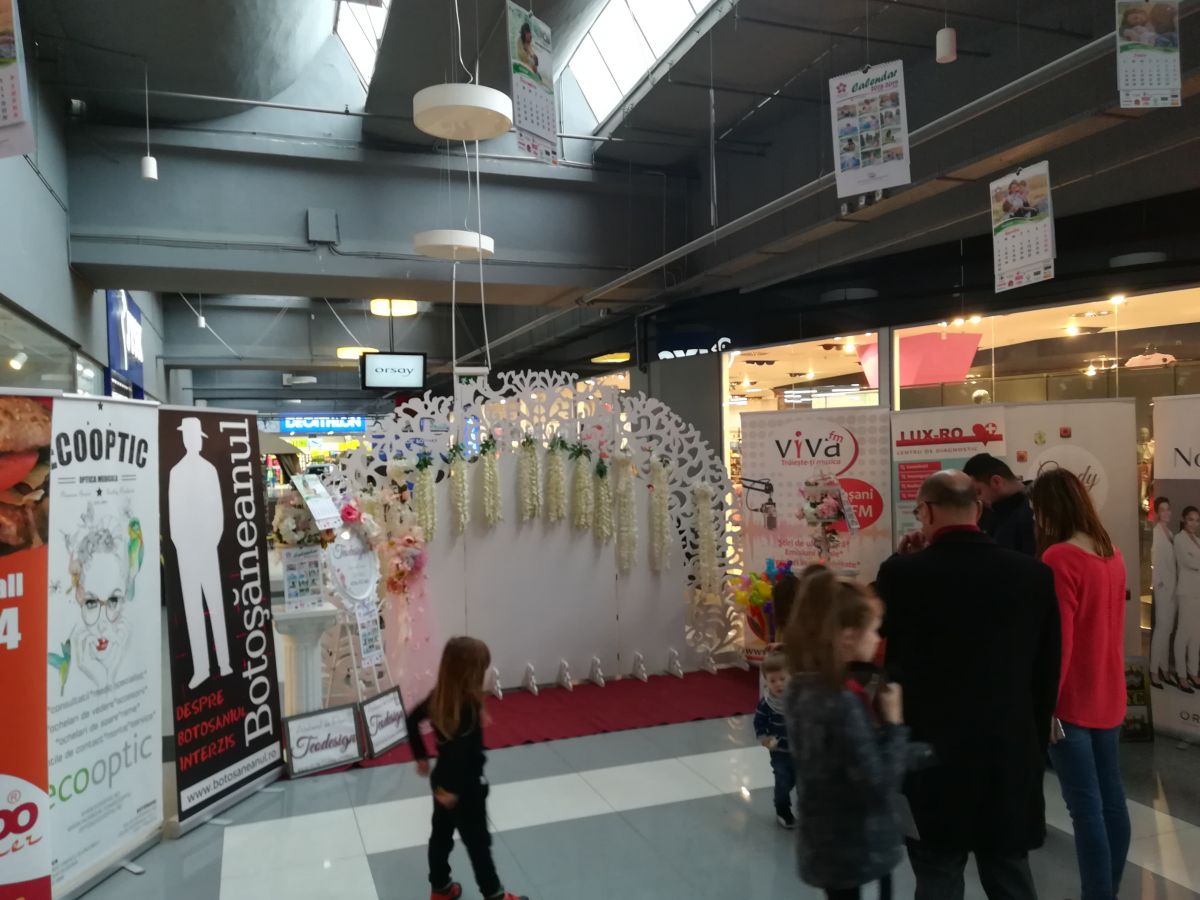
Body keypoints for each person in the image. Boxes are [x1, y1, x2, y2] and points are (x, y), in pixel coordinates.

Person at [876, 470, 1060, 900]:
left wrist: (899, 561)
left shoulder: (902, 575)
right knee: (1010, 873)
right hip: (1007, 749)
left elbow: (883, 655)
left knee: (937, 874)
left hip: (931, 755)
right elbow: (1046, 672)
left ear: (927, 511)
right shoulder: (1033, 575)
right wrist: (1033, 747)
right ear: (978, 509)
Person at [1031, 468, 1131, 900]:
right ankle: (1107, 889)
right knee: (1111, 801)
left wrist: (1046, 705)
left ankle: (1097, 894)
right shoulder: (1112, 552)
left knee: (1085, 808)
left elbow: (1061, 643)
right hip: (1110, 693)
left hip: (1071, 700)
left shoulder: (1059, 558)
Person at [783, 572, 908, 900]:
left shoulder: (799, 687)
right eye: (874, 630)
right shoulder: (843, 702)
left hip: (822, 842)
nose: (878, 639)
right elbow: (878, 786)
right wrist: (894, 726)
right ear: (849, 636)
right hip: (858, 847)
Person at [406, 637, 529, 900]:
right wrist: (456, 791)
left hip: (441, 782)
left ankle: (440, 888)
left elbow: (412, 720)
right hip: (465, 790)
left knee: (440, 838)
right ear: (470, 674)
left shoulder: (439, 697)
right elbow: (465, 757)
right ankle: (495, 895)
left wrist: (421, 757)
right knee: (479, 845)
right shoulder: (468, 709)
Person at [169, 416, 232, 689]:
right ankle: (201, 668)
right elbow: (174, 514)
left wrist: (211, 540)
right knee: (193, 609)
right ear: (185, 439)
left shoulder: (209, 470)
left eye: (195, 436)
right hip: (186, 549)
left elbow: (218, 510)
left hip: (206, 546)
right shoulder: (176, 472)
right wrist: (180, 544)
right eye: (189, 435)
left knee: (215, 605)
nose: (192, 440)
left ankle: (225, 662)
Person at [963, 453, 1037, 556]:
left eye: (978, 492)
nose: (978, 500)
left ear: (996, 482)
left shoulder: (1035, 511)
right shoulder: (991, 512)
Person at [755, 652, 797, 828]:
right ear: (766, 681)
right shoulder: (766, 704)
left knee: (800, 781)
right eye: (772, 681)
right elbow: (759, 723)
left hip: (801, 751)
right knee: (783, 781)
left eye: (782, 679)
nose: (778, 684)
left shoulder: (798, 699)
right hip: (780, 753)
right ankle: (782, 809)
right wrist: (765, 739)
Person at [1149, 497, 1180, 690]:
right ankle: (1154, 671)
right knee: (1161, 629)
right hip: (1163, 588)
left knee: (1167, 629)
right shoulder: (1156, 533)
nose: (1166, 513)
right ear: (1157, 513)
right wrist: (1160, 585)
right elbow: (1156, 561)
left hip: (1174, 587)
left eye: (1168, 509)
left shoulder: (1170, 533)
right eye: (1162, 509)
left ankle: (1163, 668)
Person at [1175, 507, 1200, 691]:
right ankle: (1181, 674)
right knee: (1183, 633)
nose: (1194, 523)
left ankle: (1192, 671)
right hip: (1185, 591)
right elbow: (1187, 562)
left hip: (1197, 591)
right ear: (1184, 519)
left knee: (1196, 634)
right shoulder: (1179, 539)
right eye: (1191, 519)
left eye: (1197, 520)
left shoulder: (1198, 540)